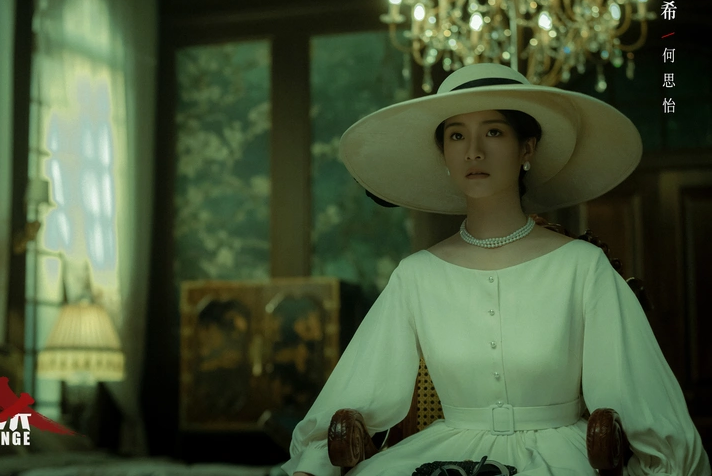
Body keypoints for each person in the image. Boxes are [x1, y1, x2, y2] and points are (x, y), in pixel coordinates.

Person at [282, 63, 711, 476]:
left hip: (560, 457)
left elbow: (639, 398)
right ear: (444, 154)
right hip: (440, 454)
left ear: (527, 148)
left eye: (493, 131)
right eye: (456, 135)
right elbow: (355, 393)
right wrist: (313, 465)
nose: (474, 150)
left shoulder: (582, 266)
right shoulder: (416, 275)